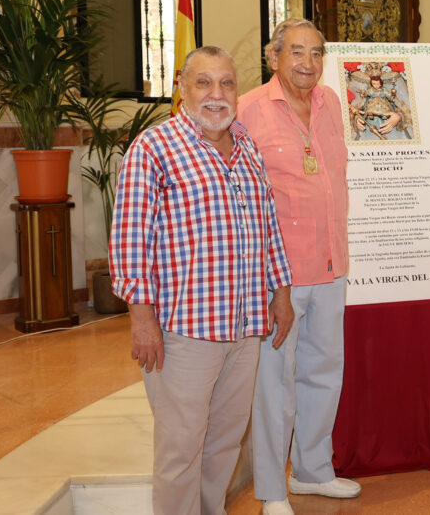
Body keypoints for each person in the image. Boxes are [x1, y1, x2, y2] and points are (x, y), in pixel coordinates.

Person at [110, 45, 294, 515]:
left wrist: (282, 293)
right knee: (180, 450)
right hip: (184, 332)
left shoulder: (246, 144)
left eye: (227, 83)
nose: (217, 94)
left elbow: (267, 224)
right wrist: (142, 319)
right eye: (204, 83)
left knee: (224, 445)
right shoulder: (154, 148)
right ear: (182, 90)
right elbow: (130, 242)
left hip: (245, 325)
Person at [237, 18, 356, 515]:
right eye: (296, 53)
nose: (307, 63)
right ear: (274, 58)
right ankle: (272, 489)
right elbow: (242, 196)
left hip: (331, 264)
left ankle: (312, 471)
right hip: (279, 275)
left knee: (324, 373)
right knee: (274, 385)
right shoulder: (248, 109)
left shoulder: (331, 103)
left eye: (315, 53)